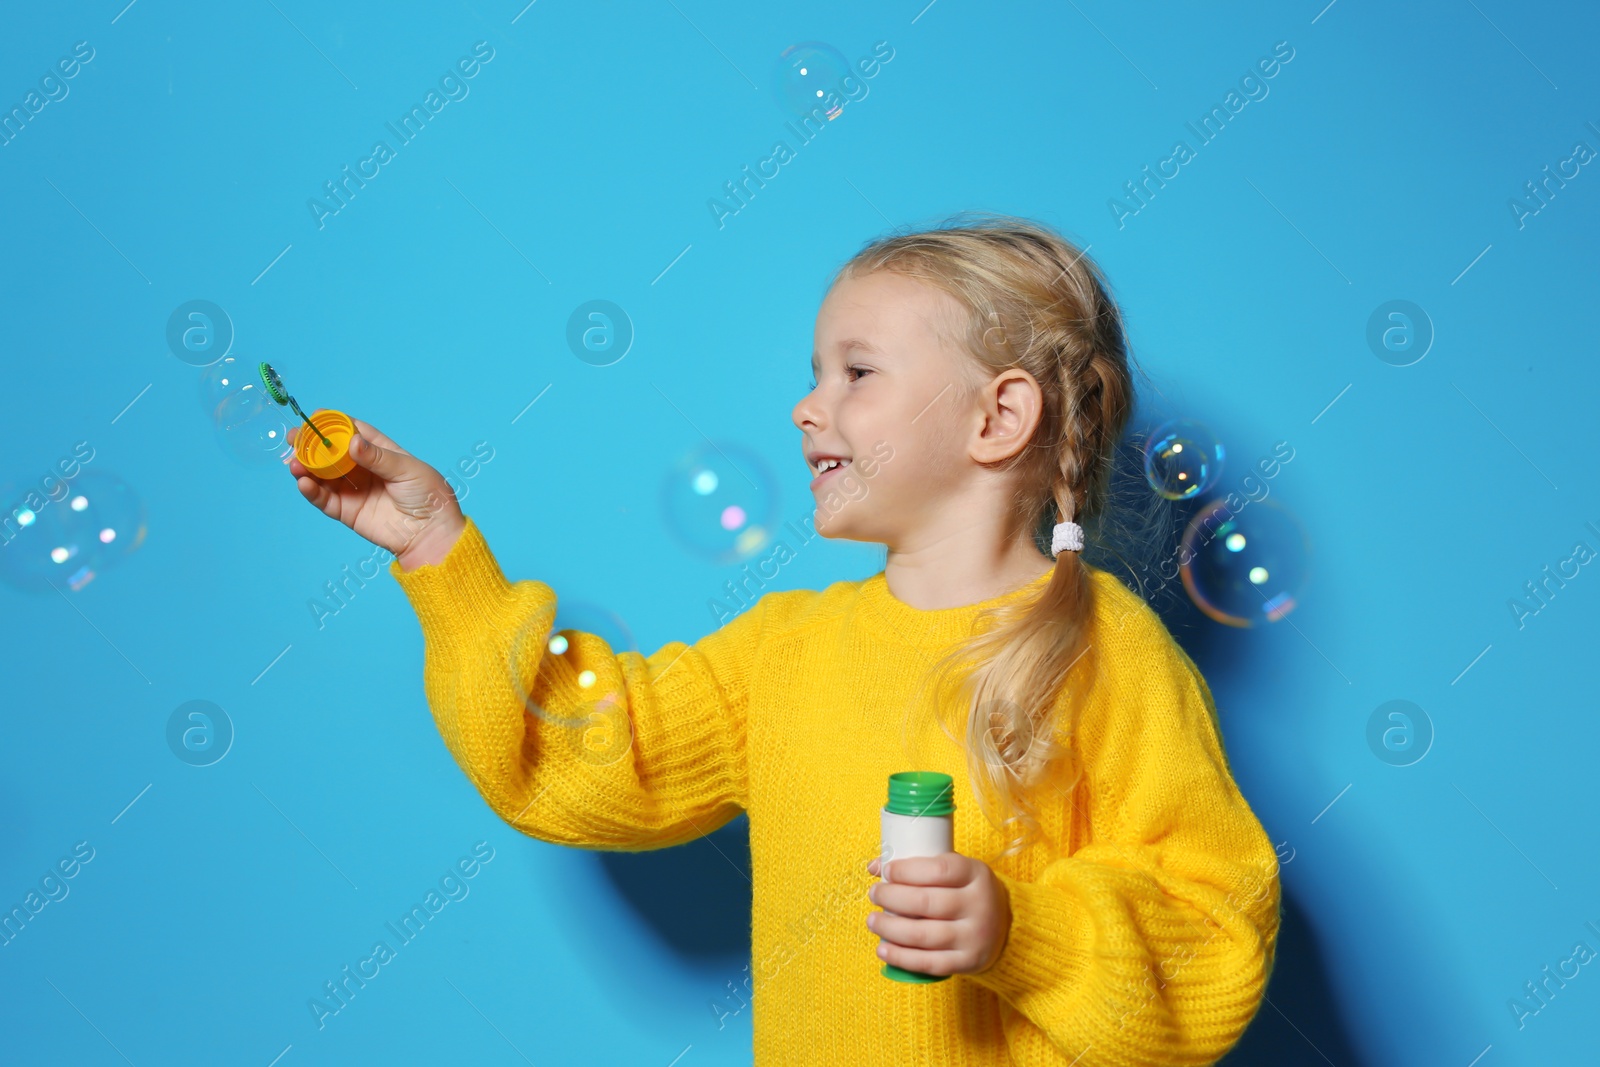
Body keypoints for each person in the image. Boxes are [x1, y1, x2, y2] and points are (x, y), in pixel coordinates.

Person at [286, 213, 1281, 1065]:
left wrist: (1027, 934)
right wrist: (437, 551)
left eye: (856, 371)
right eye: (815, 372)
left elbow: (1210, 930)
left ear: (998, 414)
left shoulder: (1105, 647)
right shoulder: (785, 648)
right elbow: (580, 757)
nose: (807, 405)